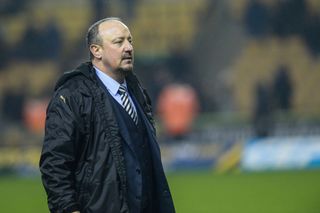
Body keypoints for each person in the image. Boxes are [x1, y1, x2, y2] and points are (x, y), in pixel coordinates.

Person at [39, 17, 175, 213]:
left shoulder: (137, 91)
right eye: (119, 42)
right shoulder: (72, 96)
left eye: (130, 41)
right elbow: (55, 163)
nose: (128, 47)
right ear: (96, 51)